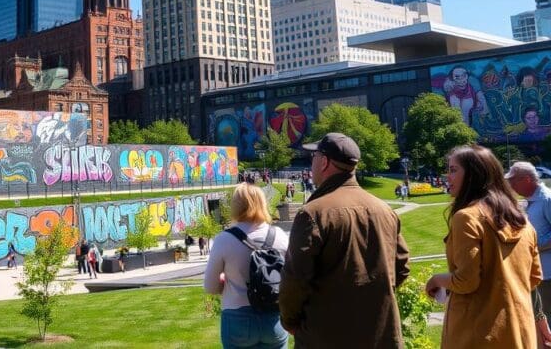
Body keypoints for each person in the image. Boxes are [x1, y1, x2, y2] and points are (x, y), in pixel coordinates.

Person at [279, 133, 410, 348]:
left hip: (326, 335)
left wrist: (290, 321)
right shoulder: (384, 210)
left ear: (324, 162)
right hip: (380, 333)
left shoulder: (313, 213)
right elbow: (402, 267)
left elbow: (295, 279)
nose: (311, 164)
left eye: (313, 157)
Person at [425, 145, 542, 348]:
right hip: (519, 331)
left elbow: (466, 281)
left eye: (453, 170)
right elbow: (534, 277)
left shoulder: (467, 217)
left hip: (476, 335)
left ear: (473, 175)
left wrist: (436, 280)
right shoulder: (521, 219)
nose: (447, 176)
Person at [204, 182, 289, 349]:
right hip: (273, 316)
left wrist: (225, 280)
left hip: (237, 317)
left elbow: (210, 287)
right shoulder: (280, 235)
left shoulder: (224, 239)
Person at [506, 161, 551, 320]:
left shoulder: (546, 199)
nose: (510, 185)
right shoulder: (532, 200)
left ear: (526, 179)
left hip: (548, 276)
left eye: (513, 181)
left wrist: (532, 246)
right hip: (538, 275)